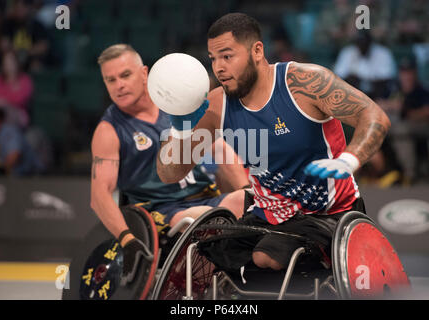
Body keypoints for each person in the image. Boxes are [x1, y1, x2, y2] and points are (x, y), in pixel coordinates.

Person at [156, 13, 391, 272]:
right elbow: (170, 173)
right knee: (203, 254)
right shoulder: (216, 105)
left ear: (257, 50)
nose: (218, 67)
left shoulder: (304, 83)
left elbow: (374, 115)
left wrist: (349, 159)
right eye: (213, 59)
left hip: (327, 214)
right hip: (267, 215)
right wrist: (179, 128)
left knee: (265, 257)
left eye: (227, 56)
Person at [91, 44, 248, 283]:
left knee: (249, 200)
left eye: (125, 75)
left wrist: (245, 189)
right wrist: (126, 239)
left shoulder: (176, 104)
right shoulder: (108, 130)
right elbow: (99, 196)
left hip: (207, 196)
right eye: (110, 80)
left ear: (144, 74)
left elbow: (219, 148)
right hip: (161, 211)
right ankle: (226, 279)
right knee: (209, 218)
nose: (119, 85)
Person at [0, 108, 43, 175]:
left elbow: (14, 157)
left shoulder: (9, 131)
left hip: (34, 177)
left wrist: (3, 167)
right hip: (17, 177)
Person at [0, 50, 34, 128]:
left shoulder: (25, 80)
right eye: (6, 62)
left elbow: (21, 100)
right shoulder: (0, 80)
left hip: (19, 117)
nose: (9, 65)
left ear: (17, 62)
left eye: (11, 61)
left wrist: (5, 103)